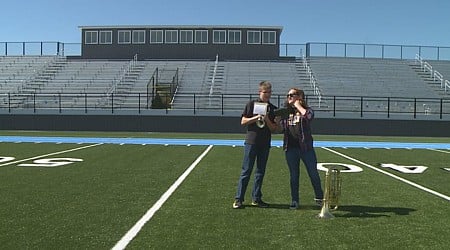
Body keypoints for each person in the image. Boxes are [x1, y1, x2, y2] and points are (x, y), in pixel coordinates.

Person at [233, 81, 278, 209]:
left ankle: (256, 198)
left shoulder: (272, 108)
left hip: (265, 143)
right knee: (246, 171)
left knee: (260, 172)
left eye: (269, 92)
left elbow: (274, 129)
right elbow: (243, 121)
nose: (267, 94)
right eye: (265, 92)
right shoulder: (251, 104)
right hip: (251, 142)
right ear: (260, 92)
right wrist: (256, 117)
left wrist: (267, 119)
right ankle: (238, 199)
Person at [278, 88, 323, 210]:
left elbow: (308, 117)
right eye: (288, 95)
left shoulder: (307, 110)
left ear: (300, 96)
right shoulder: (286, 112)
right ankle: (295, 200)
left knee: (313, 174)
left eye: (292, 95)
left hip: (306, 148)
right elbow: (280, 128)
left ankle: (319, 198)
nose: (289, 97)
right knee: (294, 176)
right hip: (291, 148)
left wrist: (298, 105)